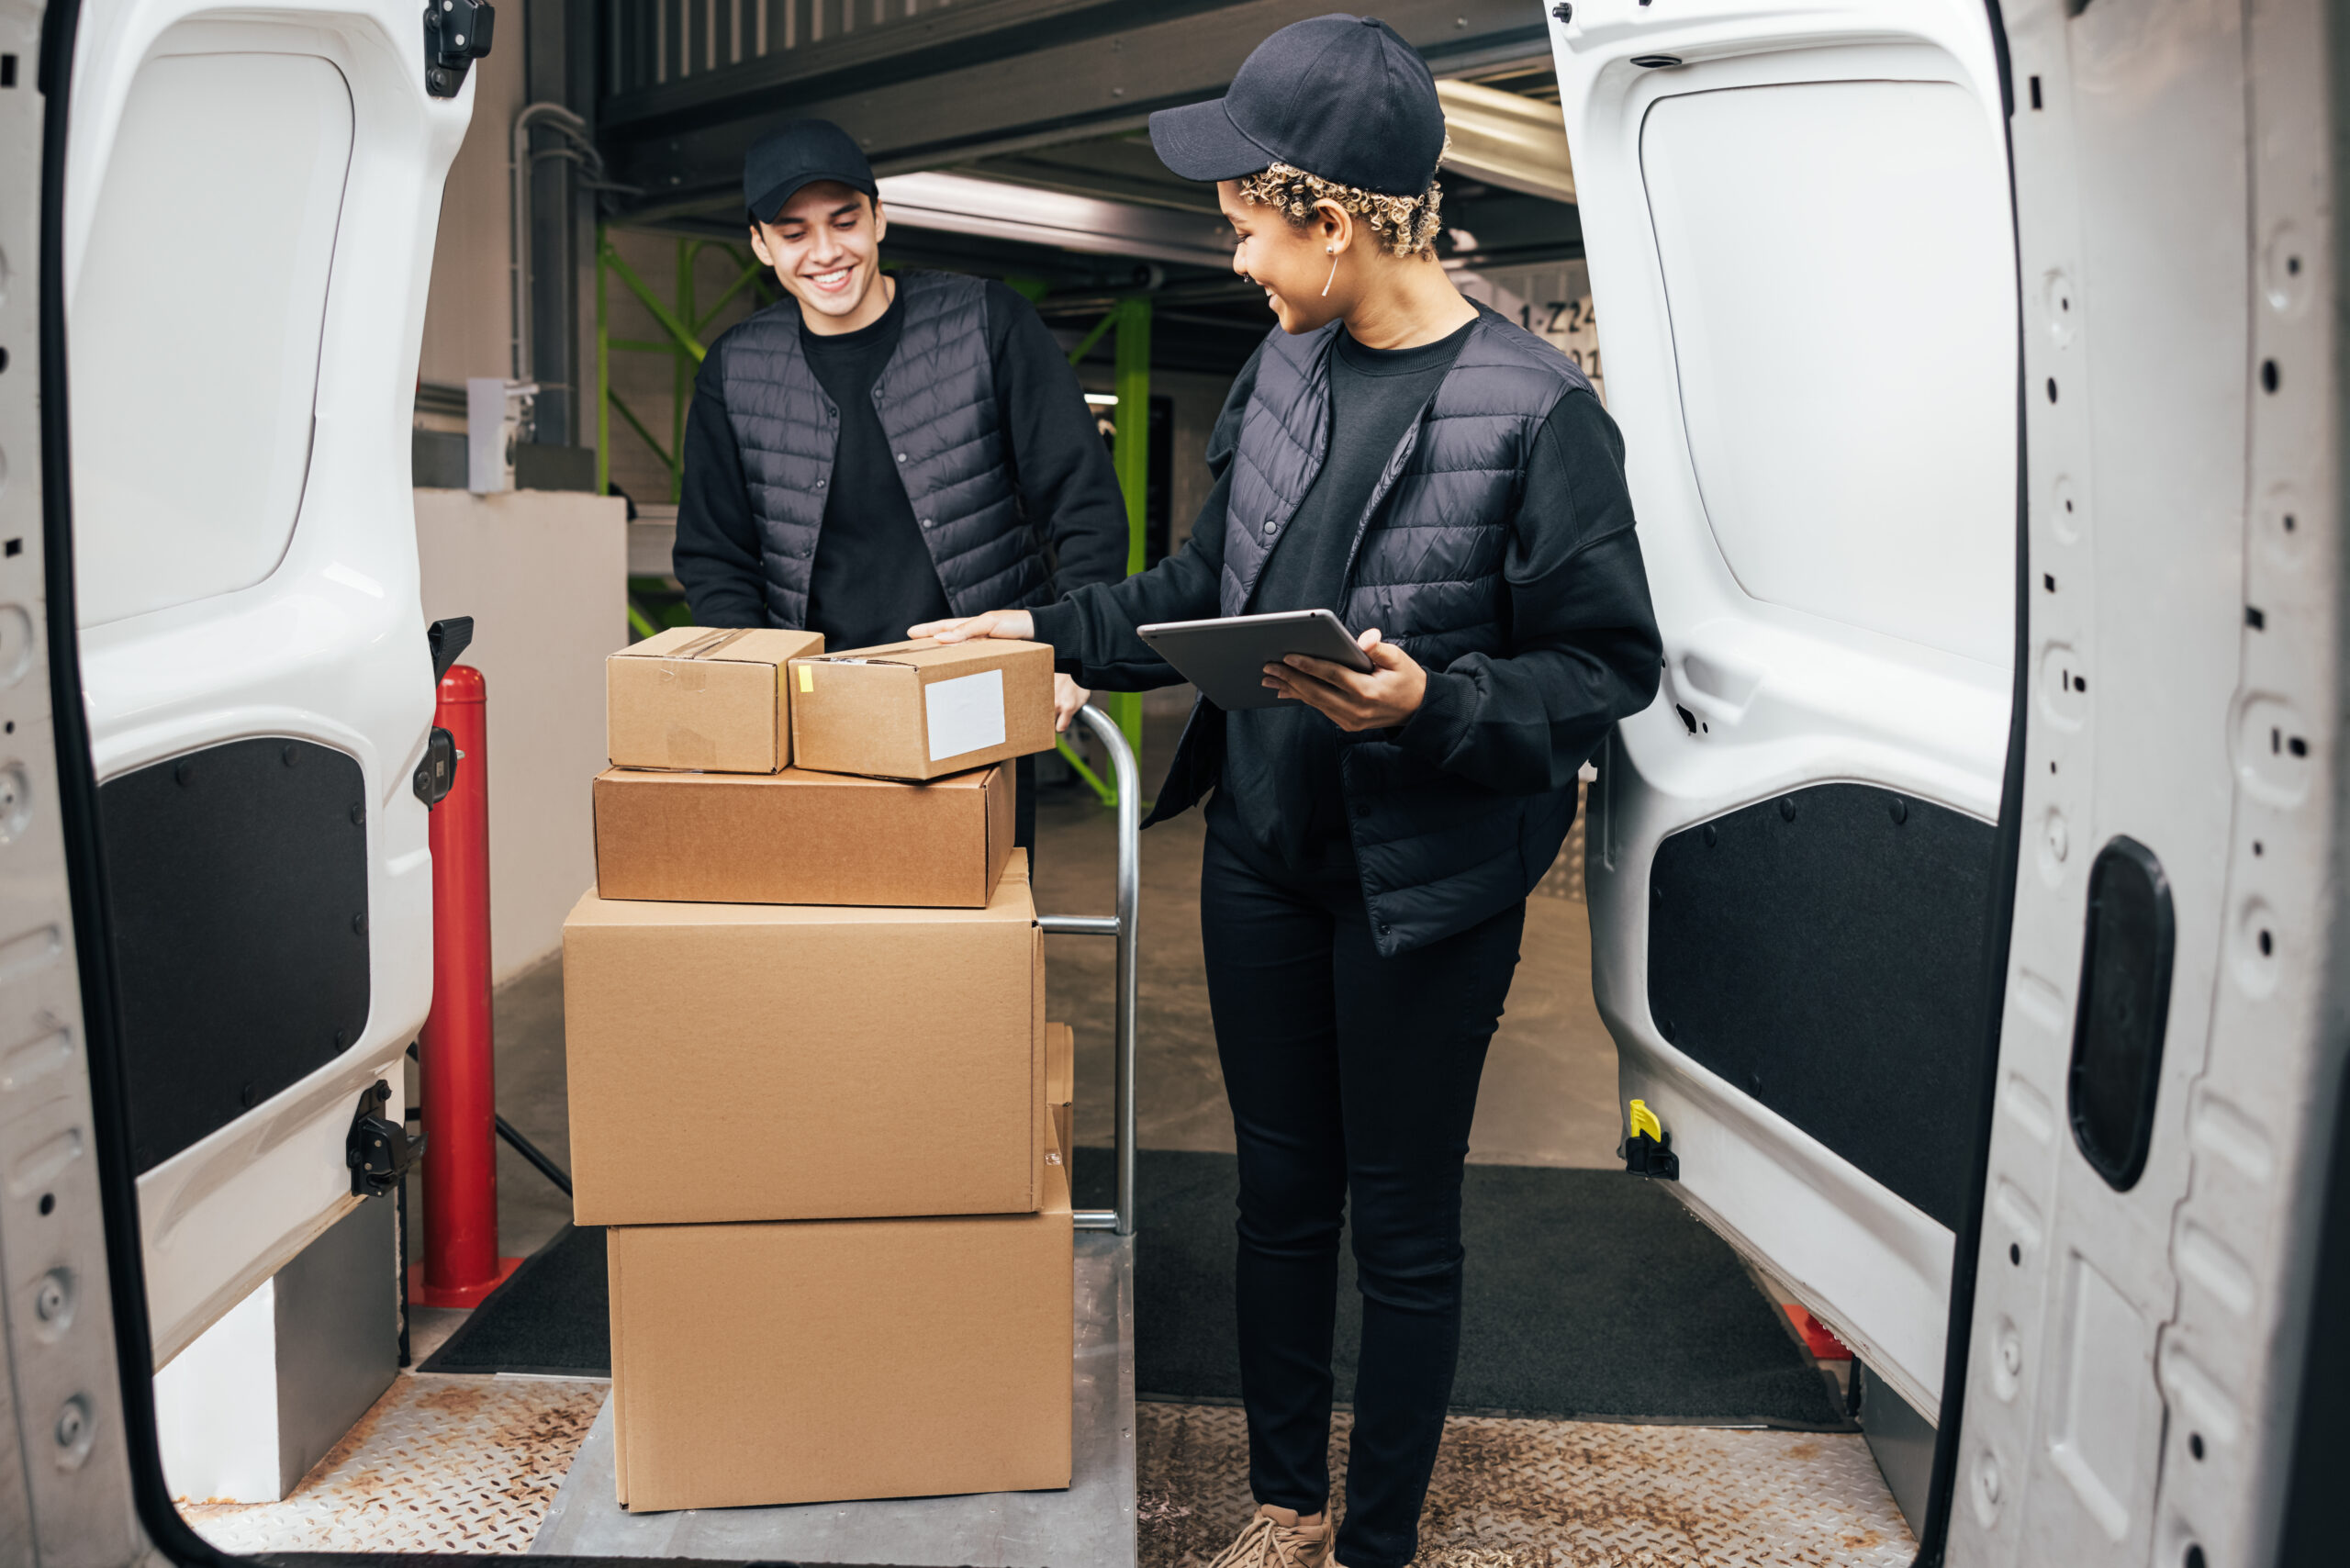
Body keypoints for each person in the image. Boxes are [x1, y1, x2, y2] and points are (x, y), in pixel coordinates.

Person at [912, 17, 1662, 1568]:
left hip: (1425, 886)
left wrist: (1433, 701)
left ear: (1329, 222)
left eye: (1248, 225)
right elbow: (1204, 582)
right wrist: (1043, 626)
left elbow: (1605, 666)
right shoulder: (1283, 364)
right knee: (1277, 1199)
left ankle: (1374, 1539)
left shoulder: (1536, 413)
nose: (1235, 256)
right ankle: (1286, 1505)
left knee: (1400, 1229)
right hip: (1262, 847)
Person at [672, 118, 1127, 851]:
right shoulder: (735, 369)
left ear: (880, 217)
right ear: (760, 244)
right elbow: (713, 553)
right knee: (840, 942)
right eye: (793, 234)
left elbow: (1085, 505)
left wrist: (1070, 653)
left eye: (845, 221)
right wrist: (760, 688)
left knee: (977, 936)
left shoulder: (987, 322)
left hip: (974, 696)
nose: (826, 253)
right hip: (816, 711)